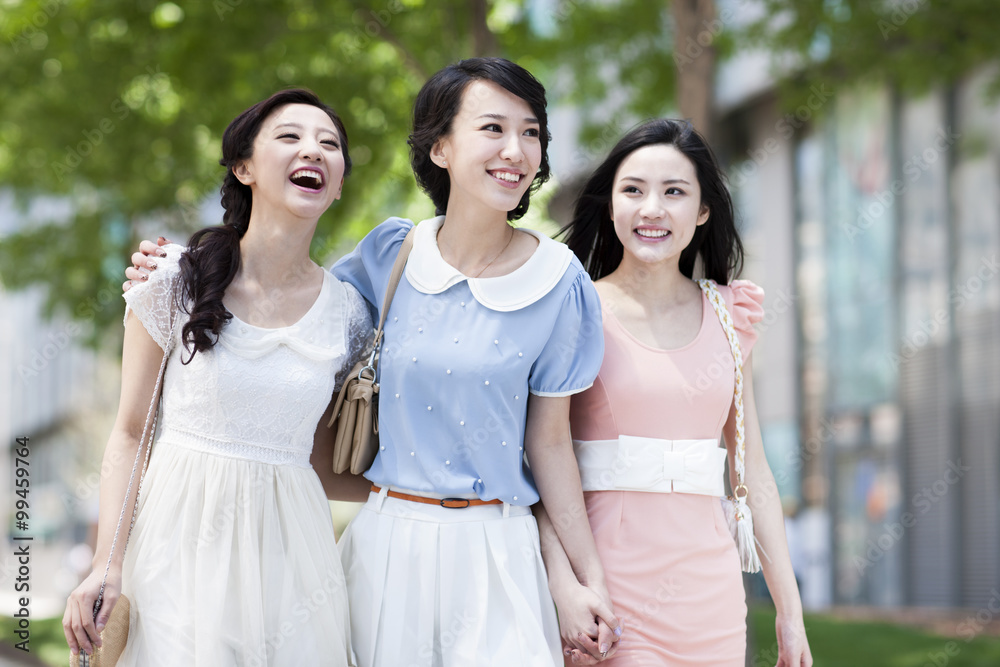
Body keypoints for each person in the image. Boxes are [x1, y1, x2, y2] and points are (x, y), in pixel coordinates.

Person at [124, 59, 621, 666]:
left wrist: (583, 576)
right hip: (386, 543)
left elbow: (550, 446)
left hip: (500, 550)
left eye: (531, 133)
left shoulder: (559, 282)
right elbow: (280, 324)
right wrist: (186, 271)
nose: (515, 150)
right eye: (493, 128)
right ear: (440, 147)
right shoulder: (392, 254)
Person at [66, 89, 372, 666]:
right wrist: (106, 561)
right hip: (180, 543)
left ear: (337, 185)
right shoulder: (170, 280)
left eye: (329, 145)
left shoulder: (350, 314)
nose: (313, 151)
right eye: (290, 137)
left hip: (293, 556)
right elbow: (130, 432)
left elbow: (323, 457)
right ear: (244, 167)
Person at [546, 118, 813, 666]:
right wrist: (564, 583)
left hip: (709, 595)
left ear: (704, 210)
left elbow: (752, 471)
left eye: (674, 192)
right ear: (610, 205)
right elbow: (540, 462)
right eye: (633, 190)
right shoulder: (572, 310)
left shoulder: (730, 314)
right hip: (606, 585)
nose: (652, 209)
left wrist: (790, 610)